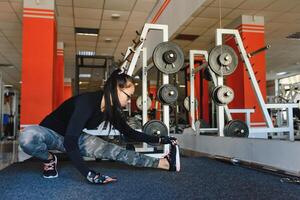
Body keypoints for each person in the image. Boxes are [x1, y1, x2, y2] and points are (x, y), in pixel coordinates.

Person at [19, 69, 180, 185]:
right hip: (50, 133)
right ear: (116, 89)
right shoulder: (86, 103)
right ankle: (49, 159)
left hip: (75, 138)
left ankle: (162, 163)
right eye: (128, 96)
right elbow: (69, 142)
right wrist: (88, 174)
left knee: (116, 152)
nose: (129, 101)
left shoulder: (110, 110)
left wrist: (160, 139)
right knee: (28, 136)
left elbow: (129, 133)